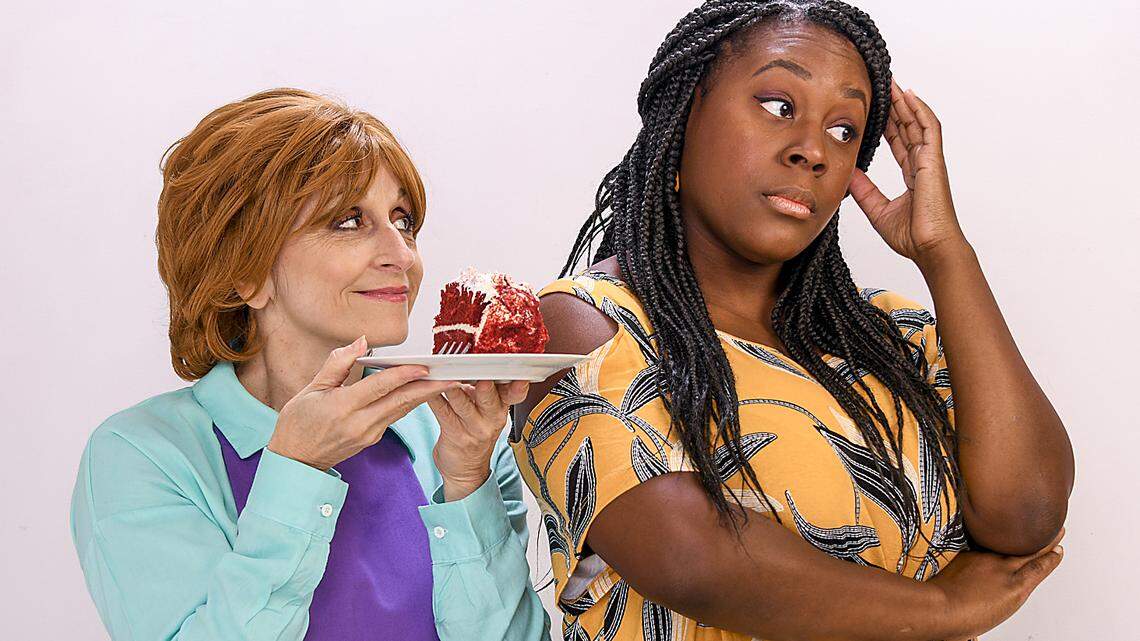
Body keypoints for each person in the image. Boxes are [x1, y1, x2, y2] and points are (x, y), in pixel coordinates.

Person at [511, 2, 1074, 640]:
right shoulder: (584, 328)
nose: (813, 150)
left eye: (844, 131)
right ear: (685, 113)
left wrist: (945, 254)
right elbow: (694, 558)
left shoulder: (894, 337)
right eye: (780, 105)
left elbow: (1026, 514)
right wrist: (948, 611)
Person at [70, 88, 550, 641]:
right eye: (349, 220)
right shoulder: (142, 456)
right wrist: (296, 471)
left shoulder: (451, 434)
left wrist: (468, 481)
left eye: (403, 219)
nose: (402, 254)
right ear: (242, 274)